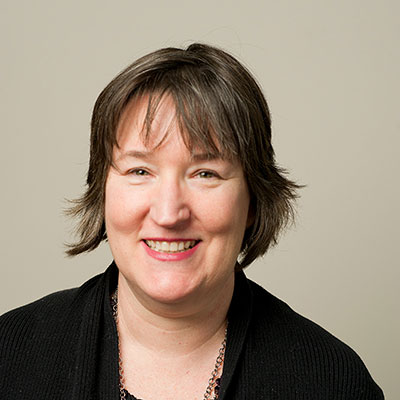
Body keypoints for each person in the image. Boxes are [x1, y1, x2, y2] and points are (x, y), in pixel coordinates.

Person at [0, 43, 383, 400]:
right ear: (102, 192)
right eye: (139, 171)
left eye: (205, 174)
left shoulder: (332, 383)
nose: (169, 214)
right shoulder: (10, 357)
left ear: (252, 200)